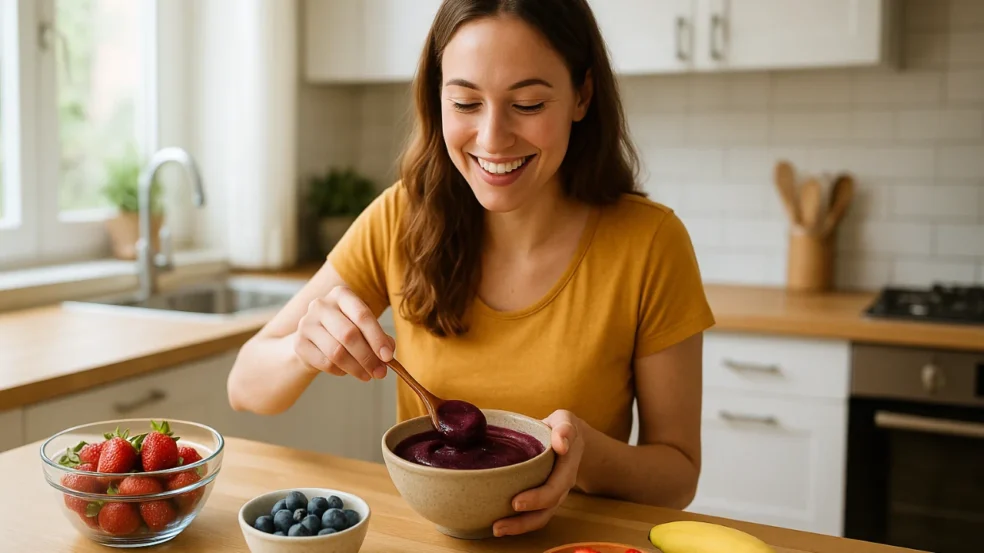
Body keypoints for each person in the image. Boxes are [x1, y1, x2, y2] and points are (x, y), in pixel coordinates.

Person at [227, 0, 715, 538]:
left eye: (527, 104)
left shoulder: (650, 243)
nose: (491, 138)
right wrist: (305, 347)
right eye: (465, 102)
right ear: (436, 97)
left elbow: (678, 477)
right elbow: (246, 386)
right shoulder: (400, 218)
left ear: (582, 95)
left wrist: (586, 453)